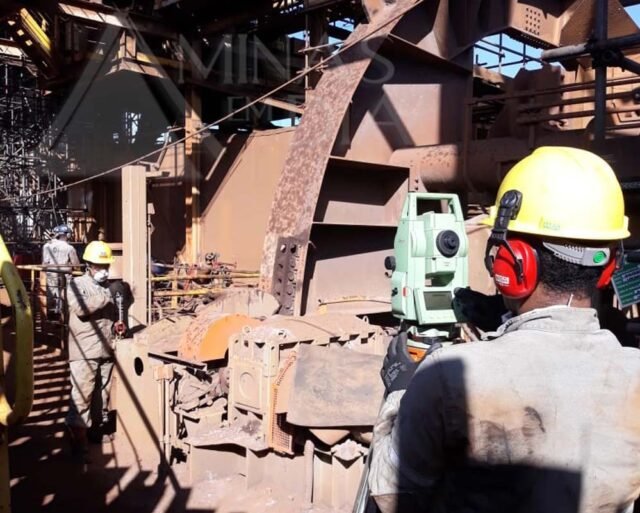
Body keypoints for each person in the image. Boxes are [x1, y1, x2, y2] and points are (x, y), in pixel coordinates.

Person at [369, 147, 640, 513]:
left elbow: (391, 497)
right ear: (608, 269)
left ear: (511, 266)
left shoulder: (448, 376)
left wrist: (400, 392)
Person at [65, 240, 117, 461]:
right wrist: (106, 296)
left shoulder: (106, 286)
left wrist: (116, 325)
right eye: (99, 266)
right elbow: (80, 308)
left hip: (105, 349)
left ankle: (95, 430)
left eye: (106, 266)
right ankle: (79, 443)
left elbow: (108, 317)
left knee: (101, 394)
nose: (104, 270)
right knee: (82, 395)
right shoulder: (76, 285)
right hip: (84, 351)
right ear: (88, 265)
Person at [42, 225, 80, 318]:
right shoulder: (69, 248)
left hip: (50, 274)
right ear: (67, 235)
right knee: (64, 294)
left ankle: (50, 315)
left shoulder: (46, 246)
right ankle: (62, 316)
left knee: (50, 293)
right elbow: (76, 265)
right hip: (65, 276)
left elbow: (44, 263)